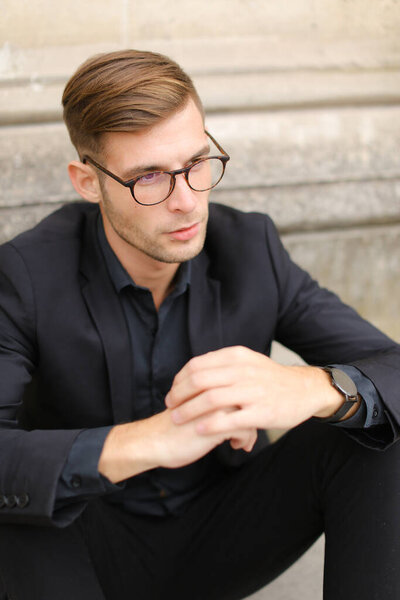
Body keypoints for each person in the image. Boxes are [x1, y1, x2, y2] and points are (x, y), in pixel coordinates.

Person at [0, 49, 399, 600]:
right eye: (149, 179)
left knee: (379, 429)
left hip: (224, 534)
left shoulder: (251, 247)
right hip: (82, 546)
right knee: (20, 493)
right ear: (87, 181)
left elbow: (392, 368)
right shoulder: (25, 274)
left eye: (196, 164)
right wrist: (151, 440)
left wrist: (312, 388)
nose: (187, 201)